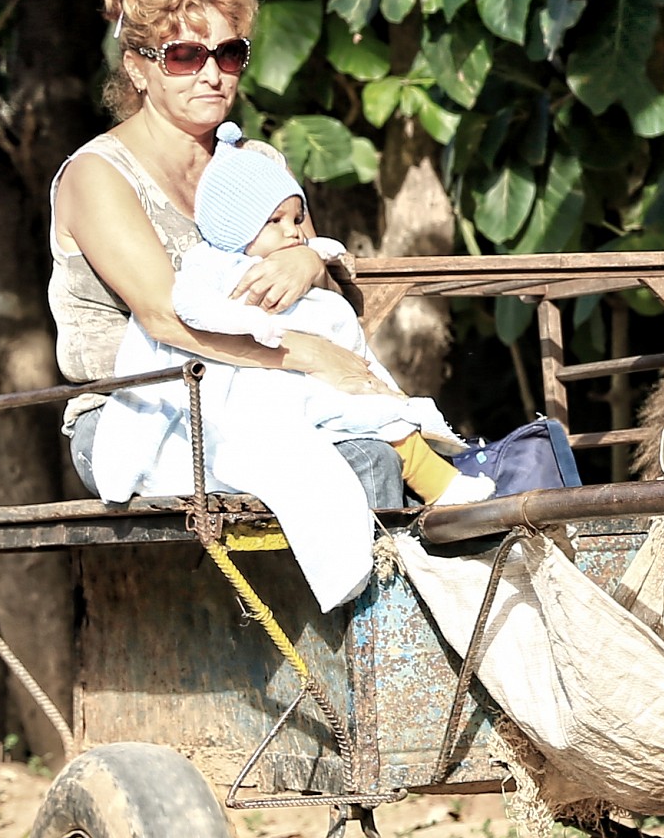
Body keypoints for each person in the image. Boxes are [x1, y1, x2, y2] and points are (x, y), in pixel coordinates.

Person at [50, 0, 406, 513]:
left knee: (399, 441)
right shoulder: (99, 174)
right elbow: (165, 318)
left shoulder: (254, 162)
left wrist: (304, 256)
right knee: (361, 461)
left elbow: (315, 276)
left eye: (229, 52)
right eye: (185, 55)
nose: (212, 74)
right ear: (138, 68)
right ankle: (365, 605)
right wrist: (312, 356)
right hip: (141, 413)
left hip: (262, 393)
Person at [88, 123, 489, 609]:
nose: (294, 229)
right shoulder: (204, 261)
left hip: (306, 374)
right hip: (241, 380)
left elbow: (329, 265)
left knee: (385, 422)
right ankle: (373, 597)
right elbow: (178, 313)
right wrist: (257, 327)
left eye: (297, 218)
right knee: (356, 448)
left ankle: (447, 511)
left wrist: (308, 260)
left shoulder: (265, 178)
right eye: (277, 223)